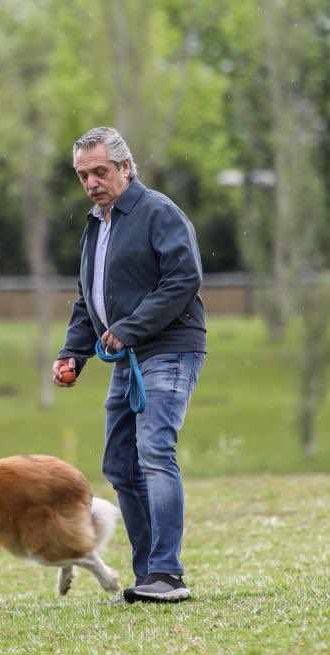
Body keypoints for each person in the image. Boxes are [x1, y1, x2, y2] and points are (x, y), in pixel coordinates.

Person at [53, 127, 206, 603]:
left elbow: (184, 278)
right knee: (119, 464)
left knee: (155, 452)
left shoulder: (157, 212)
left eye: (101, 171)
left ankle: (167, 574)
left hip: (169, 348)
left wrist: (132, 327)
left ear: (125, 167)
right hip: (129, 357)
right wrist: (72, 353)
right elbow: (88, 299)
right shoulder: (96, 223)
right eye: (84, 175)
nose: (92, 182)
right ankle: (148, 578)